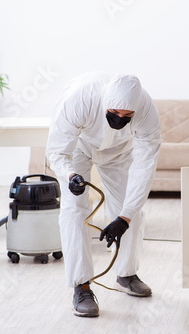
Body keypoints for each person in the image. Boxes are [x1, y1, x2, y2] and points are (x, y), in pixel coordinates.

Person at [46, 72, 161, 317]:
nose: (119, 118)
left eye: (126, 116)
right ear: (105, 102)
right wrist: (69, 176)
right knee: (75, 208)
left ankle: (126, 273)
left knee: (133, 211)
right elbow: (57, 151)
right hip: (79, 147)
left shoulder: (147, 111)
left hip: (118, 152)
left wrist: (125, 218)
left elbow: (145, 167)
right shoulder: (80, 98)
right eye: (114, 112)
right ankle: (81, 285)